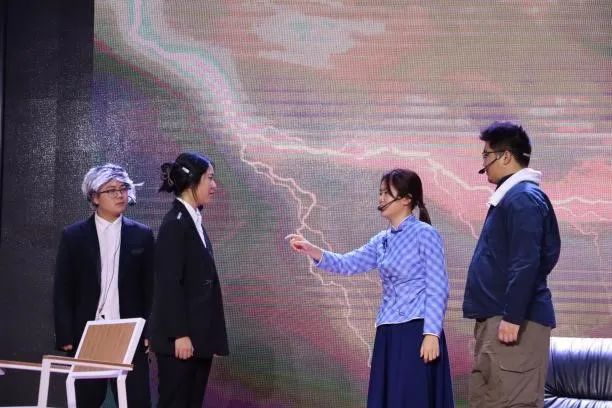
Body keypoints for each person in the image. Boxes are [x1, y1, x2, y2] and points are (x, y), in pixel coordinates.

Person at [287, 169, 454, 408]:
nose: (381, 198)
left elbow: (438, 286)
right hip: (388, 331)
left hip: (416, 330)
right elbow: (347, 263)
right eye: (380, 193)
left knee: (411, 397)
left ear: (406, 199)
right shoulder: (381, 241)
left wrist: (431, 334)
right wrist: (312, 249)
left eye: (387, 193)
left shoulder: (425, 235)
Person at [463, 121, 561, 407]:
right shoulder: (511, 197)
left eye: (487, 155)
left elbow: (527, 261)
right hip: (496, 317)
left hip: (513, 321)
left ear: (506, 156)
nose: (484, 164)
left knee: (513, 400)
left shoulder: (523, 198)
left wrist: (513, 316)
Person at [54, 163, 154, 407]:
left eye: (123, 189)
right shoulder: (74, 236)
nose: (120, 195)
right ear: (94, 197)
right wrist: (66, 334)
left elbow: (151, 288)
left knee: (135, 400)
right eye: (111, 190)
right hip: (89, 333)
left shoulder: (142, 234)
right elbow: (63, 289)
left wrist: (150, 330)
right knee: (86, 400)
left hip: (129, 333)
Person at [150, 152, 229, 408]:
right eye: (210, 178)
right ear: (192, 180)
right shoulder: (175, 223)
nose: (214, 185)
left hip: (198, 339)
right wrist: (180, 334)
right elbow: (168, 284)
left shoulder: (193, 220)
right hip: (181, 342)